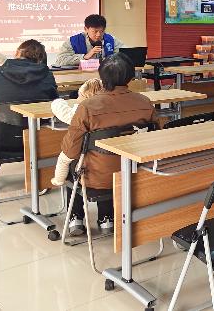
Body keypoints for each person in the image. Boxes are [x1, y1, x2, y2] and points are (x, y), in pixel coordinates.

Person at [58, 54, 156, 236]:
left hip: (96, 178)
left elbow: (71, 149)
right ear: (131, 77)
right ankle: (107, 218)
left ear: (101, 77)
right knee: (113, 161)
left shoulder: (87, 106)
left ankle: (76, 218)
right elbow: (156, 137)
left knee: (76, 163)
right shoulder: (145, 103)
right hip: (134, 174)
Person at [0, 40, 59, 179]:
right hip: (37, 137)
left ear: (17, 53)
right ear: (40, 58)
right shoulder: (47, 75)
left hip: (2, 138)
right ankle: (42, 177)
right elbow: (55, 103)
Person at [55, 14, 124, 67]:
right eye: (95, 31)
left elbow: (124, 55)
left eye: (102, 31)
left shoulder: (111, 39)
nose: (98, 35)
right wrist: (84, 57)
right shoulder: (73, 41)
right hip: (80, 77)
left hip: (106, 76)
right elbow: (60, 60)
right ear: (86, 29)